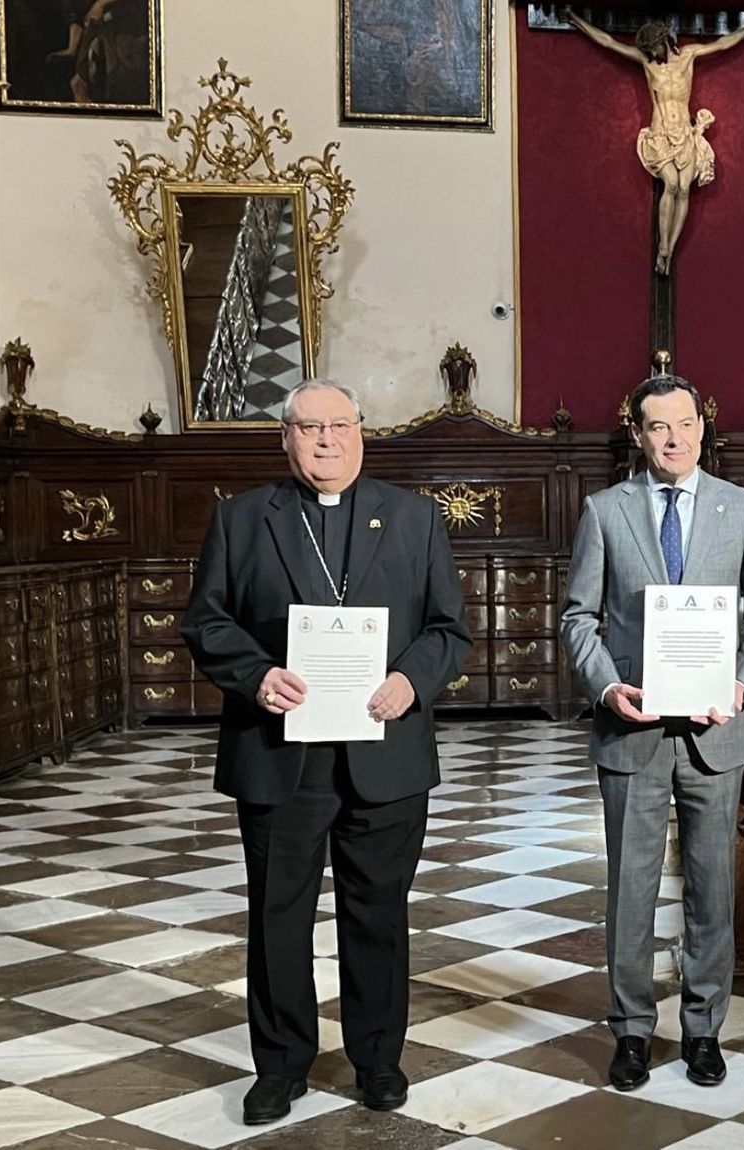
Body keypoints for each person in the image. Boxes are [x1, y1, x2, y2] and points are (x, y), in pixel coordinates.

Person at [182, 381, 471, 1125]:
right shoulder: (243, 519)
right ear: (285, 438)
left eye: (339, 425)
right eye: (308, 427)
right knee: (279, 917)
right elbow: (206, 622)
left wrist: (411, 680)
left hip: (385, 752)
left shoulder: (413, 518)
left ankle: (378, 1059)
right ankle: (280, 1066)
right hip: (281, 755)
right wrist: (256, 676)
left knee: (378, 913)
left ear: (361, 431)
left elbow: (448, 629)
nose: (325, 440)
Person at [561, 373, 744, 1091]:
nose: (674, 438)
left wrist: (742, 684)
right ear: (638, 434)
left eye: (685, 423)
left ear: (702, 426)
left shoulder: (742, 508)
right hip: (633, 731)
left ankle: (703, 1030)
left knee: (713, 888)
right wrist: (606, 685)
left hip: (716, 732)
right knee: (631, 889)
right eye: (658, 427)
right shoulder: (605, 512)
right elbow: (577, 619)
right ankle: (631, 1031)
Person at [561, 9, 744, 276]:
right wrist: (578, 21)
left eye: (654, 47)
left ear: (665, 40)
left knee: (684, 189)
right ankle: (662, 245)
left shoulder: (688, 56)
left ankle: (669, 250)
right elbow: (609, 42)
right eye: (648, 49)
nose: (652, 53)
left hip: (684, 133)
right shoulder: (647, 62)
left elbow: (723, 43)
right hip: (661, 134)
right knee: (670, 184)